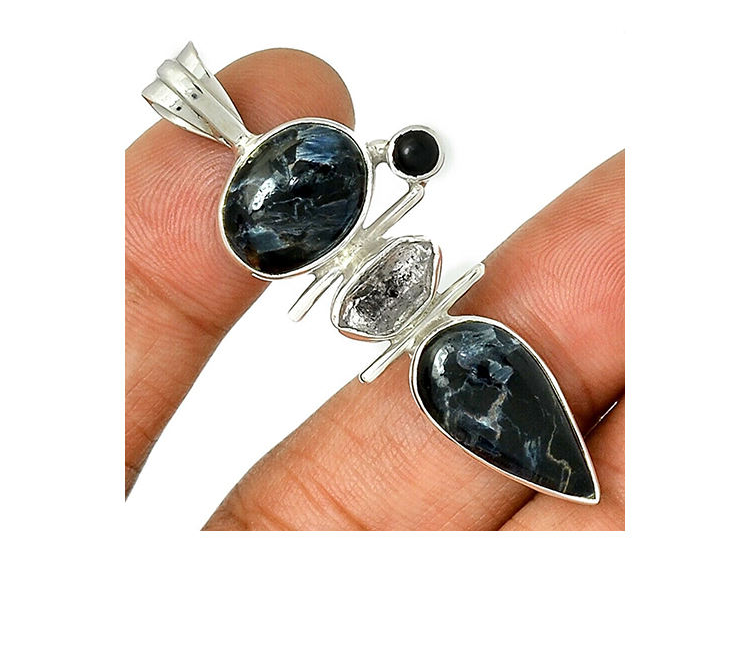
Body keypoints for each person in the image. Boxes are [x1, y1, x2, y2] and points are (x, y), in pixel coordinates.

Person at [126, 49, 624, 530]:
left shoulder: (306, 185)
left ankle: (566, 471)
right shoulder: (272, 210)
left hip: (395, 287)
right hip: (388, 295)